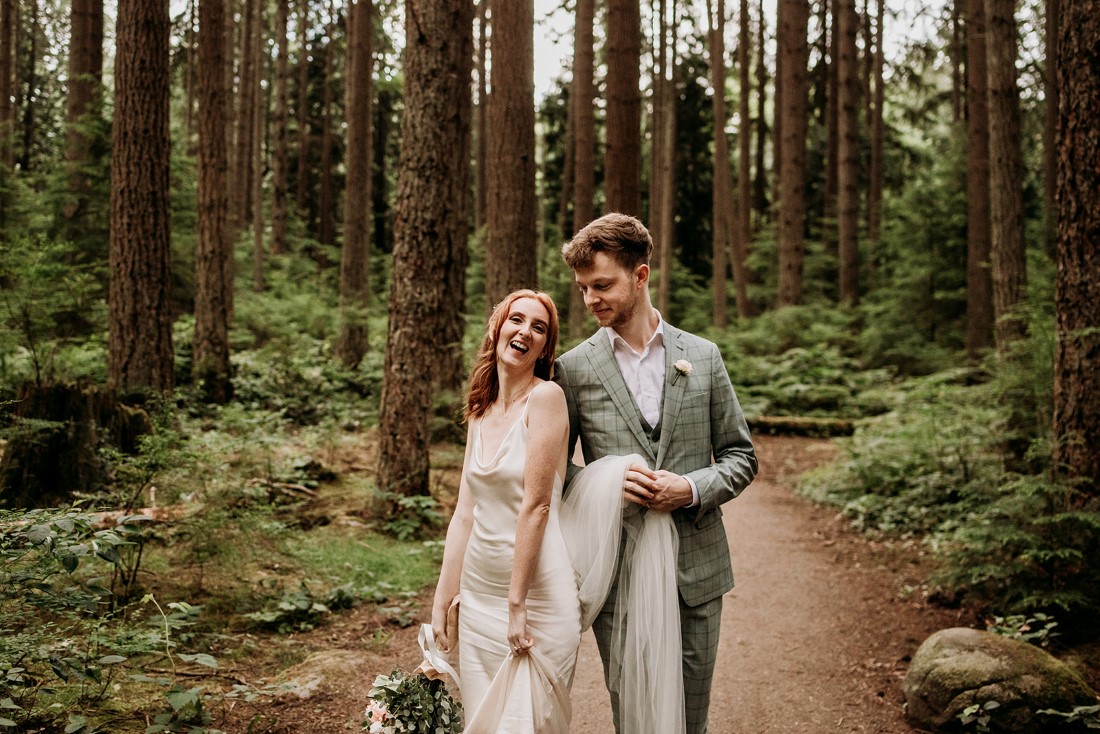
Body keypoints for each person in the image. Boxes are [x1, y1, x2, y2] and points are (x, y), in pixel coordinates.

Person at [555, 212, 759, 734]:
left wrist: (691, 488)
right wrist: (603, 482)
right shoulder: (573, 369)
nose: (590, 299)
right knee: (634, 712)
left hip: (697, 570)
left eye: (602, 285)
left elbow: (741, 457)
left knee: (692, 717)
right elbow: (554, 473)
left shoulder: (703, 357)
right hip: (617, 569)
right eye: (582, 288)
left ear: (641, 276)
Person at [430, 289, 580, 733]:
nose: (525, 331)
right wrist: (442, 600)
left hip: (536, 598)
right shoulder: (479, 409)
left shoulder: (547, 399)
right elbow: (464, 513)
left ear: (544, 347)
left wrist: (517, 606)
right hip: (478, 597)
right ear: (498, 327)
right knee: (484, 721)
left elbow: (536, 506)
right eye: (517, 319)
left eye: (539, 327)